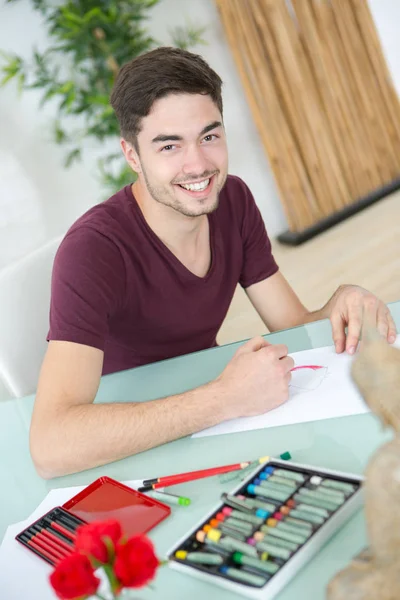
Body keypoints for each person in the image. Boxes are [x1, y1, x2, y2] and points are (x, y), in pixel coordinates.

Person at [30, 47, 397, 479]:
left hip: (211, 422)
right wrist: (224, 398)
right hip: (124, 454)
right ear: (132, 155)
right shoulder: (92, 250)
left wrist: (340, 301)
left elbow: (292, 324)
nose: (199, 165)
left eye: (209, 136)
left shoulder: (234, 201)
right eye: (170, 145)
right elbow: (51, 445)